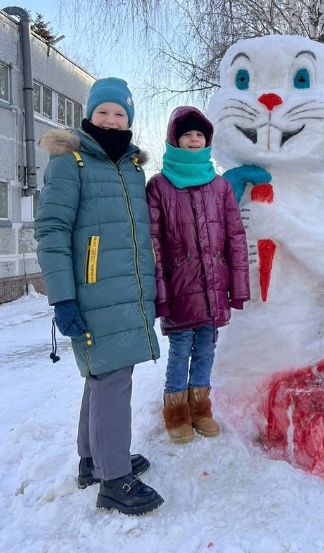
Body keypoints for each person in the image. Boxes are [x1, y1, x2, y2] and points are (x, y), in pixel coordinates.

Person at [35, 77, 163, 516]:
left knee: (102, 375)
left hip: (126, 290)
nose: (111, 119)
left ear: (129, 120)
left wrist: (151, 291)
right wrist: (62, 299)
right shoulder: (70, 161)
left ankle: (94, 461)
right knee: (113, 380)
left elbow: (137, 237)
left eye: (120, 113)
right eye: (104, 111)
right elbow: (51, 231)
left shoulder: (131, 167)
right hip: (91, 292)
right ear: (89, 115)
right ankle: (114, 481)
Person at [146, 106, 250, 444]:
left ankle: (201, 409)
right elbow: (153, 243)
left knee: (206, 349)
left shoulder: (218, 187)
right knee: (180, 350)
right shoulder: (158, 186)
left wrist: (238, 287)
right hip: (179, 289)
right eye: (187, 134)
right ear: (174, 140)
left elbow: (236, 237)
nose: (194, 139)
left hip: (213, 287)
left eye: (199, 134)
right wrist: (159, 291)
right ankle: (176, 413)